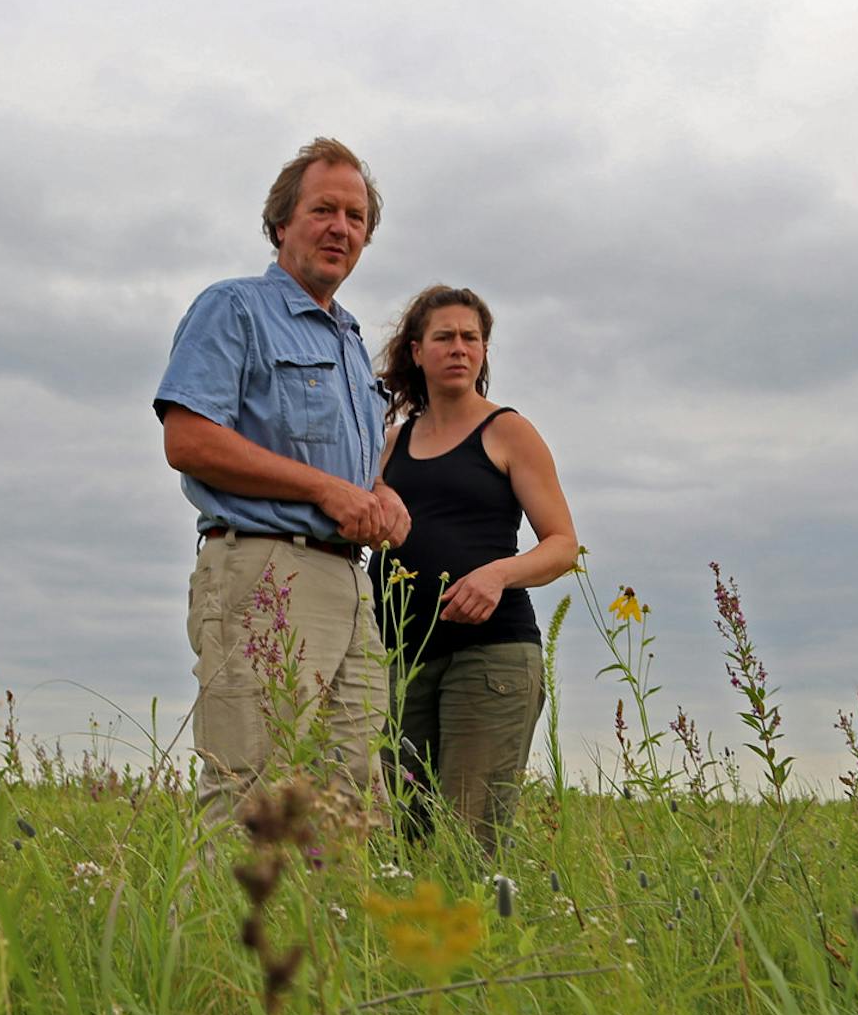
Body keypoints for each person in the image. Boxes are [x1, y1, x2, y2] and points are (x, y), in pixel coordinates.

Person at [154, 138, 410, 830]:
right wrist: (324, 491)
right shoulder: (233, 308)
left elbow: (353, 468)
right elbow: (189, 439)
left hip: (345, 582)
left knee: (352, 798)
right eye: (323, 209)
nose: (341, 228)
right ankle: (216, 942)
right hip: (264, 569)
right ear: (280, 226)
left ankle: (326, 940)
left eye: (356, 218)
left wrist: (379, 494)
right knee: (251, 793)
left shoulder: (351, 340)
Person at [367, 286, 577, 852]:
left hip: (491, 657)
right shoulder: (390, 443)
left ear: (484, 352)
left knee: (468, 838)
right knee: (400, 833)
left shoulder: (508, 431)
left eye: (472, 338)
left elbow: (562, 545)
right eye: (444, 337)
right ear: (416, 350)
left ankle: (478, 939)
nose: (459, 348)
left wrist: (496, 575)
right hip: (399, 660)